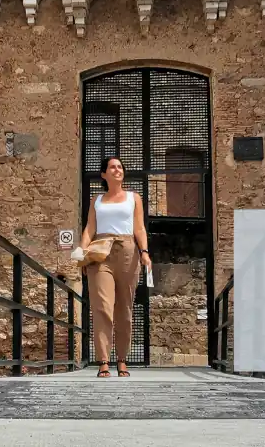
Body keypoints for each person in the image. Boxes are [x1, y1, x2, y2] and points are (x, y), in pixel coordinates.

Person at [79, 156, 152, 377]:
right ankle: (103, 361)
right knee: (102, 306)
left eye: (120, 167)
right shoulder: (96, 200)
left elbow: (139, 228)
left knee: (125, 310)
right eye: (112, 167)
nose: (117, 170)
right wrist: (82, 252)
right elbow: (90, 228)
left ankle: (122, 359)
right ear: (104, 174)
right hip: (101, 252)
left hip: (128, 251)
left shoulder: (134, 198)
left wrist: (145, 252)